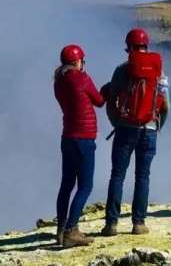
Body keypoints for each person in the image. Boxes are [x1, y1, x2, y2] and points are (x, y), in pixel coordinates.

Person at [100, 28, 170, 237]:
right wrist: (157, 126)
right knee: (143, 176)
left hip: (125, 129)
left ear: (128, 47)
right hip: (149, 129)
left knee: (117, 176)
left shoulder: (122, 70)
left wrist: (117, 122)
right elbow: (165, 105)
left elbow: (111, 101)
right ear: (146, 45)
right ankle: (138, 223)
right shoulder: (159, 70)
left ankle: (111, 224)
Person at [53, 44, 105, 248]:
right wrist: (107, 90)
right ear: (78, 61)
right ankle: (71, 230)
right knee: (85, 185)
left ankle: (60, 229)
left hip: (67, 137)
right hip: (84, 138)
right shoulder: (82, 78)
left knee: (67, 184)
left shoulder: (58, 81)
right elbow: (99, 101)